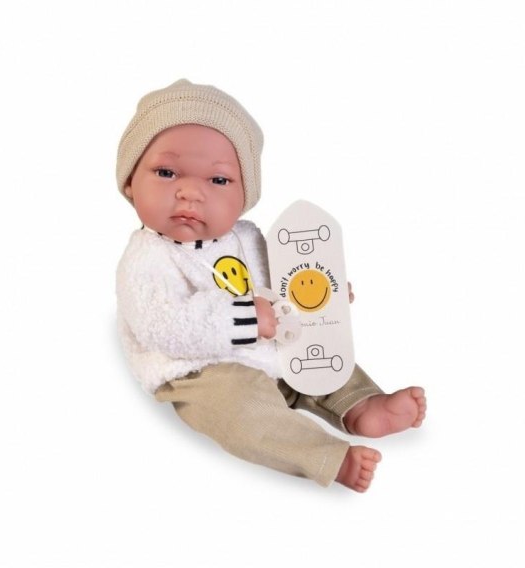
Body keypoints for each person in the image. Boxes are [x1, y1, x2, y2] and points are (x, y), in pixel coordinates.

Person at [116, 79, 426, 491]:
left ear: (245, 195)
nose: (190, 192)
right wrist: (246, 320)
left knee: (323, 352)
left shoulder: (247, 237)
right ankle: (327, 457)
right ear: (130, 182)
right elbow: (163, 325)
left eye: (218, 180)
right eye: (166, 172)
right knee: (240, 412)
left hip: (275, 349)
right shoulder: (147, 256)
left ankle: (361, 404)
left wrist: (324, 297)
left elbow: (286, 284)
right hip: (203, 370)